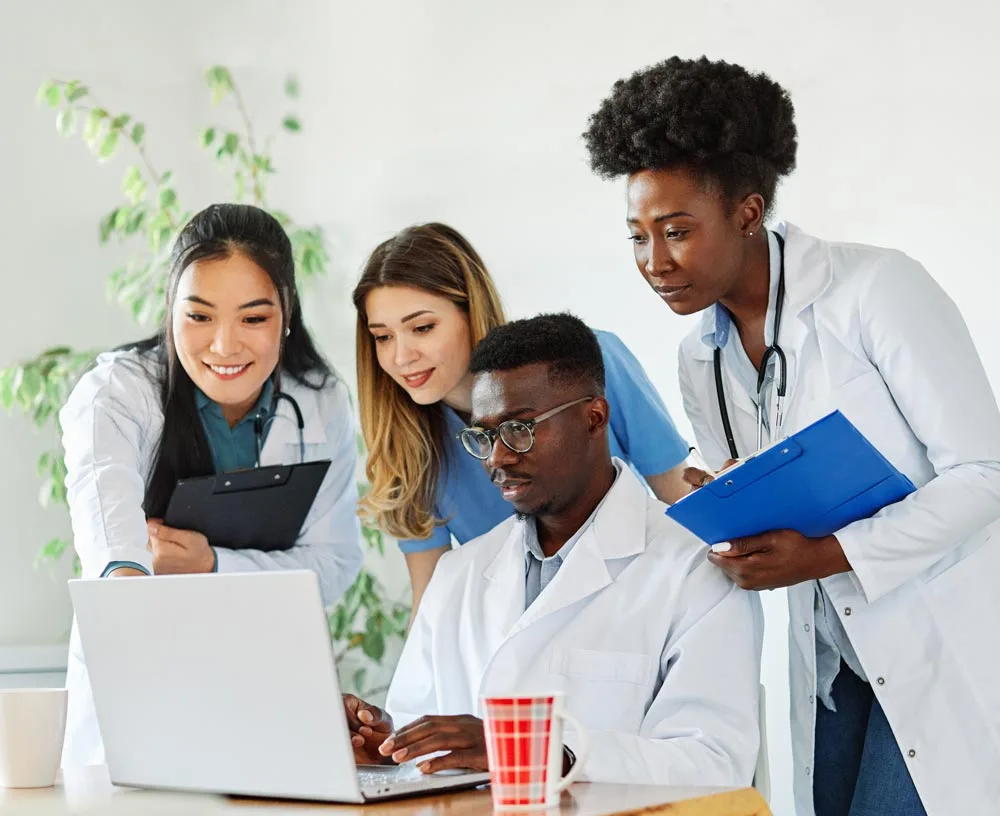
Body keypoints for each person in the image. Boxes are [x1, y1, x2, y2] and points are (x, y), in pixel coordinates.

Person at [583, 56, 1000, 816]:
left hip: (936, 637)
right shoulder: (699, 357)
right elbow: (760, 486)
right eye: (638, 236)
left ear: (747, 212)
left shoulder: (876, 290)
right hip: (833, 661)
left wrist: (829, 553)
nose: (655, 263)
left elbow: (985, 471)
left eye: (677, 231)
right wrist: (730, 511)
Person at [342, 314, 762, 787]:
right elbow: (420, 742)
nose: (498, 457)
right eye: (483, 437)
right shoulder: (460, 573)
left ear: (594, 418)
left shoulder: (693, 567)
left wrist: (530, 748)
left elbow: (713, 762)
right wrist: (383, 745)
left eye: (519, 429)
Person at [60, 203, 363, 767]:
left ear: (287, 314)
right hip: (141, 679)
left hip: (268, 679)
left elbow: (336, 564)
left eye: (253, 318)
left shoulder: (321, 401)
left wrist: (211, 565)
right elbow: (112, 548)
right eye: (199, 316)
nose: (224, 346)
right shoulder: (118, 395)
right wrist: (129, 572)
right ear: (171, 311)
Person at [353, 222, 691, 617]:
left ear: (470, 311)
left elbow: (681, 502)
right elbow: (431, 603)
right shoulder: (408, 446)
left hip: (639, 605)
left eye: (422, 328)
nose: (400, 357)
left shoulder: (588, 363)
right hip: (522, 632)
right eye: (383, 337)